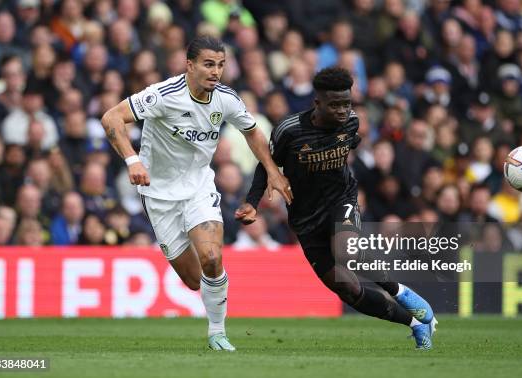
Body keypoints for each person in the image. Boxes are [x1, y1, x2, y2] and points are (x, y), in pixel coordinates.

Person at [101, 35, 291, 351]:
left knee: (212, 258)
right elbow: (111, 118)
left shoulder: (226, 99)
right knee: (193, 280)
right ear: (189, 65)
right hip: (158, 195)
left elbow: (252, 131)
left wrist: (273, 171)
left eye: (220, 65)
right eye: (208, 64)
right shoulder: (163, 95)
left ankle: (217, 332)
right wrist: (133, 160)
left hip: (199, 187)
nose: (215, 72)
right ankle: (214, 308)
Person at [236, 67, 437, 350]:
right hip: (304, 217)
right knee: (347, 287)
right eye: (335, 104)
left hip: (340, 199)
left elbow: (349, 146)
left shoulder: (351, 122)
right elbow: (266, 166)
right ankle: (416, 324)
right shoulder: (290, 130)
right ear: (317, 103)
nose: (343, 110)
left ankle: (402, 292)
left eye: (347, 103)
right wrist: (251, 202)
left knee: (347, 252)